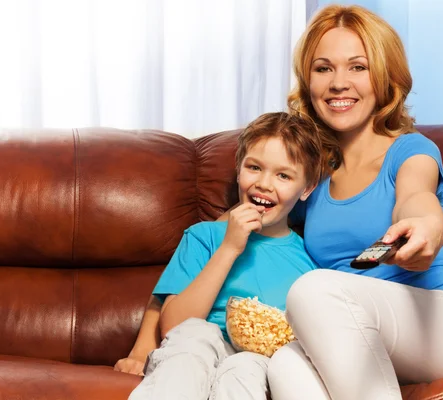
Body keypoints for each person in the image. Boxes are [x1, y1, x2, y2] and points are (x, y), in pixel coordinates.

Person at [265, 5, 443, 400]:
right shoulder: (310, 181)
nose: (338, 83)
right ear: (308, 81)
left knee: (312, 290)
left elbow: (417, 200)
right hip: (368, 337)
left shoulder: (411, 151)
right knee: (286, 361)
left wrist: (424, 229)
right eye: (323, 68)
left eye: (358, 67)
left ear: (384, 77)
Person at [127, 112, 321, 400]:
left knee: (246, 366)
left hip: (260, 362)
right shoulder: (204, 236)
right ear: (239, 170)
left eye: (283, 175)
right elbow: (174, 326)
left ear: (306, 188)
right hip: (192, 346)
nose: (264, 184)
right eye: (254, 167)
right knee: (196, 335)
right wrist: (229, 248)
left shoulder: (308, 264)